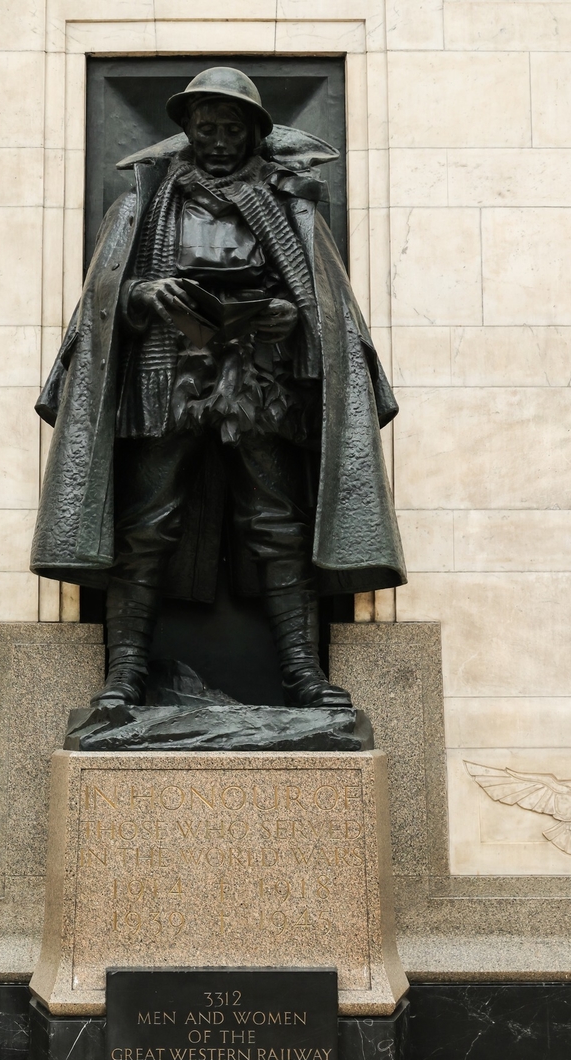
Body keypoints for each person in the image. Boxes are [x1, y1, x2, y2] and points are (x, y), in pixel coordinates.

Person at [31, 67, 406, 708]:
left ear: (255, 135)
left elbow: (323, 303)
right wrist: (143, 293)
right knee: (146, 525)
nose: (220, 140)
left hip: (261, 379)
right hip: (165, 372)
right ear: (187, 129)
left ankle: (302, 674)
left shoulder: (290, 207)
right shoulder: (145, 205)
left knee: (278, 524)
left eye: (233, 129)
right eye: (207, 128)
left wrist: (292, 318)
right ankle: (123, 677)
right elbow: (103, 300)